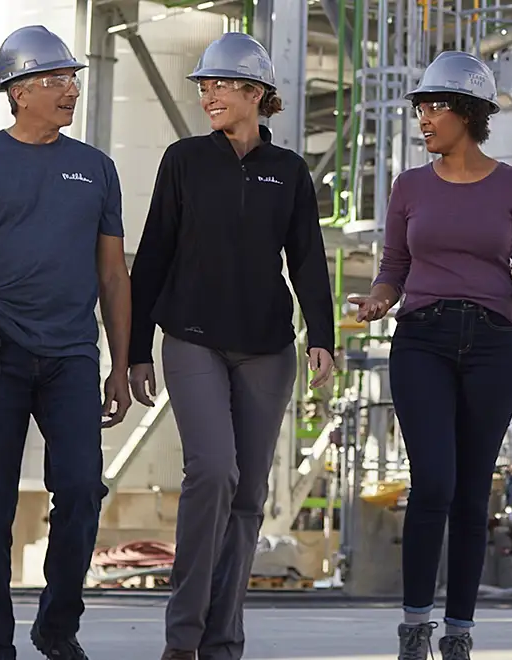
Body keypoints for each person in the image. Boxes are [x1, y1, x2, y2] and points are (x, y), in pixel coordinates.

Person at [349, 50, 512, 660]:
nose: (422, 118)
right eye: (419, 107)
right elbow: (394, 266)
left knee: (474, 493)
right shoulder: (409, 186)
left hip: (494, 345)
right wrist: (376, 301)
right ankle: (415, 625)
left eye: (433, 107)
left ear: (468, 113)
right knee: (434, 484)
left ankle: (459, 631)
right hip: (422, 338)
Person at [0, 25, 133, 660]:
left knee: (83, 491)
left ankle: (57, 626)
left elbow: (113, 274)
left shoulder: (97, 168)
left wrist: (120, 365)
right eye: (55, 80)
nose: (70, 90)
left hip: (71, 357)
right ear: (18, 91)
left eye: (72, 79)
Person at [126, 32, 337, 660]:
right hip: (191, 337)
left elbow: (306, 259)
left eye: (220, 84)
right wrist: (136, 348)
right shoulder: (184, 159)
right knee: (213, 471)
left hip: (267, 348)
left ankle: (224, 639)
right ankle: (183, 638)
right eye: (203, 85)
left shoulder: (289, 170)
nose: (208, 95)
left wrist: (321, 339)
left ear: (256, 93)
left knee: (248, 496)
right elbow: (154, 253)